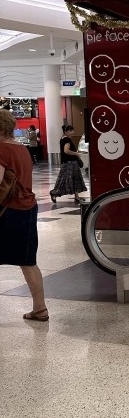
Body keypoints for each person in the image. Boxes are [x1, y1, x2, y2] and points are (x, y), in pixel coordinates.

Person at [0, 109, 49, 322]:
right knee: (28, 261)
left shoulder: (1, 149)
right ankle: (40, 309)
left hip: (7, 212)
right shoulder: (22, 149)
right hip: (28, 208)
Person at [50, 124, 87, 204]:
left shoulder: (63, 138)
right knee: (65, 180)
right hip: (70, 163)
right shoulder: (67, 140)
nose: (72, 132)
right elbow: (66, 151)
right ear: (65, 131)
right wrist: (76, 153)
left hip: (68, 163)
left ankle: (76, 197)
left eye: (72, 130)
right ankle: (54, 193)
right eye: (70, 131)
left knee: (73, 179)